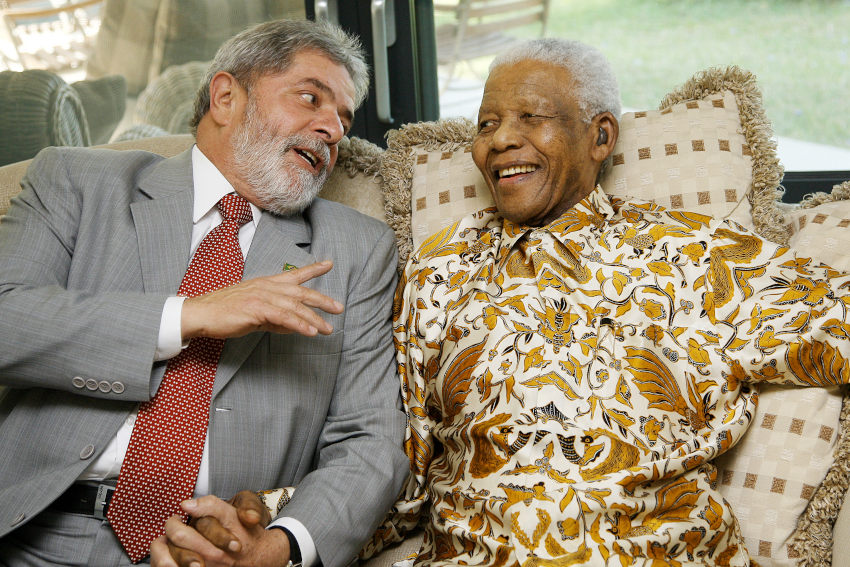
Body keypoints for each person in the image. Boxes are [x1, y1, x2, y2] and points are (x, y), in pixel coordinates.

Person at [161, 38, 850, 567]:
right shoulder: (439, 269)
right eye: (487, 121)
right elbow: (403, 467)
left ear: (600, 137)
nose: (500, 140)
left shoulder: (698, 258)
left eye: (532, 117)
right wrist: (276, 521)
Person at [0, 18, 407, 567]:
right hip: (35, 528)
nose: (332, 128)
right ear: (224, 96)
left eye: (342, 116)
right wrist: (188, 315)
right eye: (311, 98)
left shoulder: (357, 248)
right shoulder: (78, 183)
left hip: (212, 549)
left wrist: (281, 548)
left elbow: (370, 439)